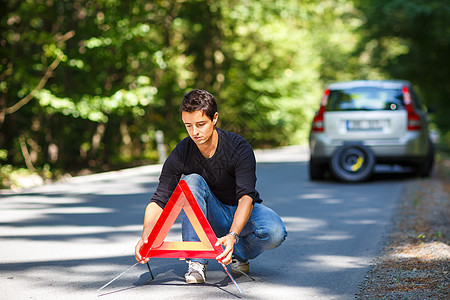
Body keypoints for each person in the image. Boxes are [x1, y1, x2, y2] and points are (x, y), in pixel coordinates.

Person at [135, 89, 287, 284]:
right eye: (188, 125)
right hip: (208, 216)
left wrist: (232, 235)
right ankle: (196, 261)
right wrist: (146, 236)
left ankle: (235, 253)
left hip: (241, 211)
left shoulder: (238, 147)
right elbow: (159, 200)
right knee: (191, 181)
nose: (194, 132)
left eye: (200, 124)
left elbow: (246, 197)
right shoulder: (182, 152)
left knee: (275, 232)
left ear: (214, 118)